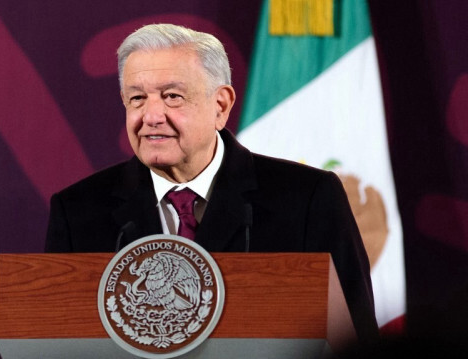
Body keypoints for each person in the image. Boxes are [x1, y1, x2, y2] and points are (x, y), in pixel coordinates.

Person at [45, 23, 378, 344]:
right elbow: (54, 341)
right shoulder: (78, 211)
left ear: (220, 105)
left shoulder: (307, 198)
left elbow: (356, 337)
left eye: (172, 96)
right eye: (137, 99)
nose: (151, 116)